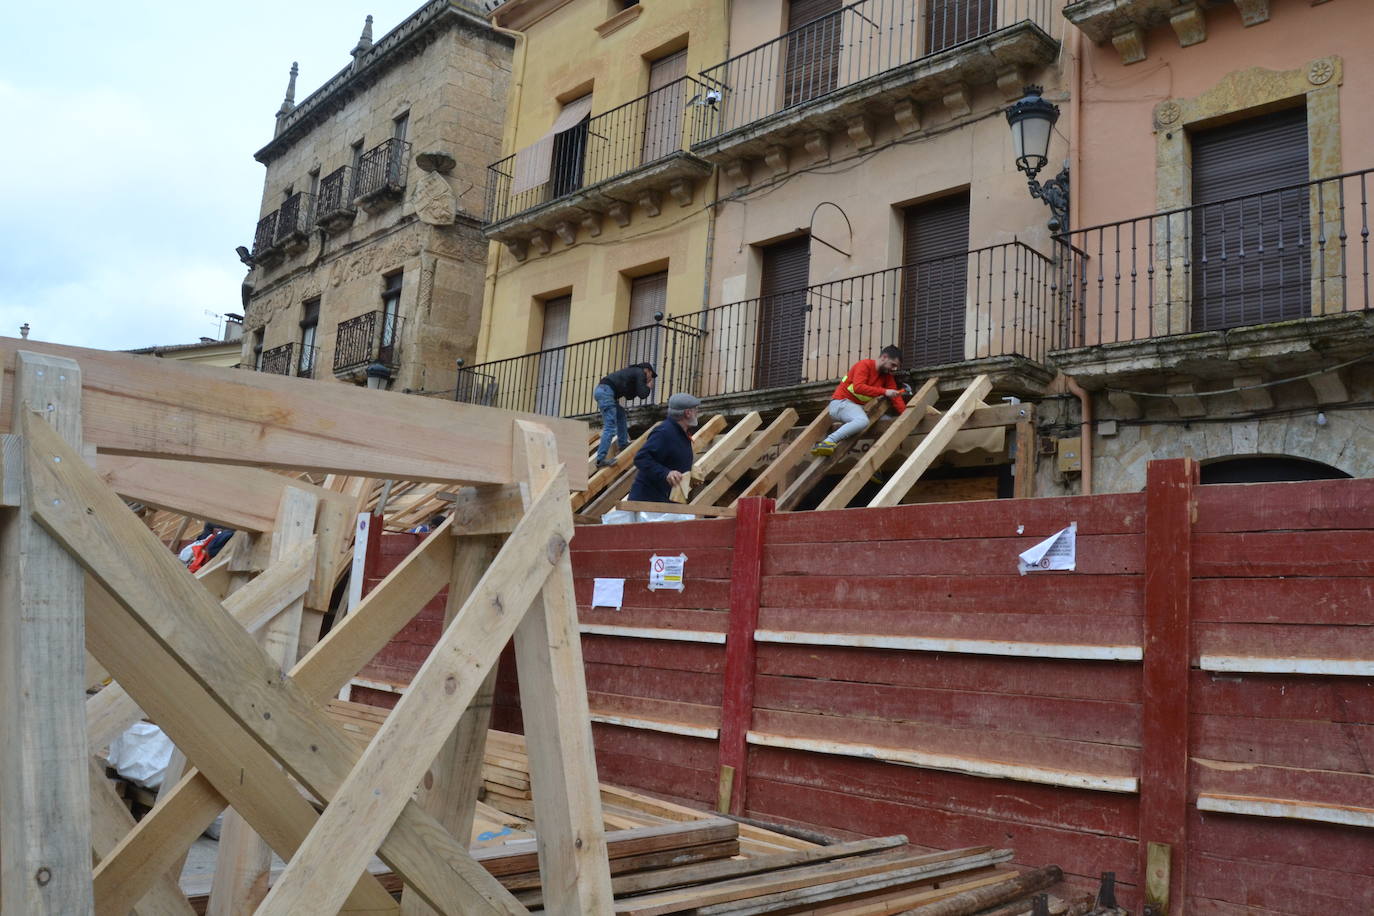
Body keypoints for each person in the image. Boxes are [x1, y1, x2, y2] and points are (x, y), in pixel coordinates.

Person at [811, 345, 909, 456]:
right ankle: (828, 441)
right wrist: (885, 391)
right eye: (893, 365)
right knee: (863, 421)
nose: (894, 369)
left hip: (854, 408)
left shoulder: (887, 376)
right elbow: (858, 387)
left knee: (886, 420)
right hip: (840, 404)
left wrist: (906, 415)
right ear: (884, 357)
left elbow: (896, 397)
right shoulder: (864, 365)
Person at [628, 393, 701, 504]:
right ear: (688, 413)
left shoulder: (681, 434)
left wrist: (689, 474)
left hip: (664, 502)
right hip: (647, 504)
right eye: (696, 409)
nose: (697, 412)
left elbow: (671, 461)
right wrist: (666, 473)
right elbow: (641, 458)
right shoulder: (664, 432)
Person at [593, 362, 656, 467]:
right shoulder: (640, 372)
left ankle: (623, 444)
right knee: (610, 427)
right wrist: (648, 387)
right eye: (652, 376)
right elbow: (642, 394)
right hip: (606, 392)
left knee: (621, 414)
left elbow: (629, 396)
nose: (651, 378)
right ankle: (600, 459)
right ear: (647, 371)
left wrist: (642, 386)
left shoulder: (632, 374)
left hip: (604, 391)